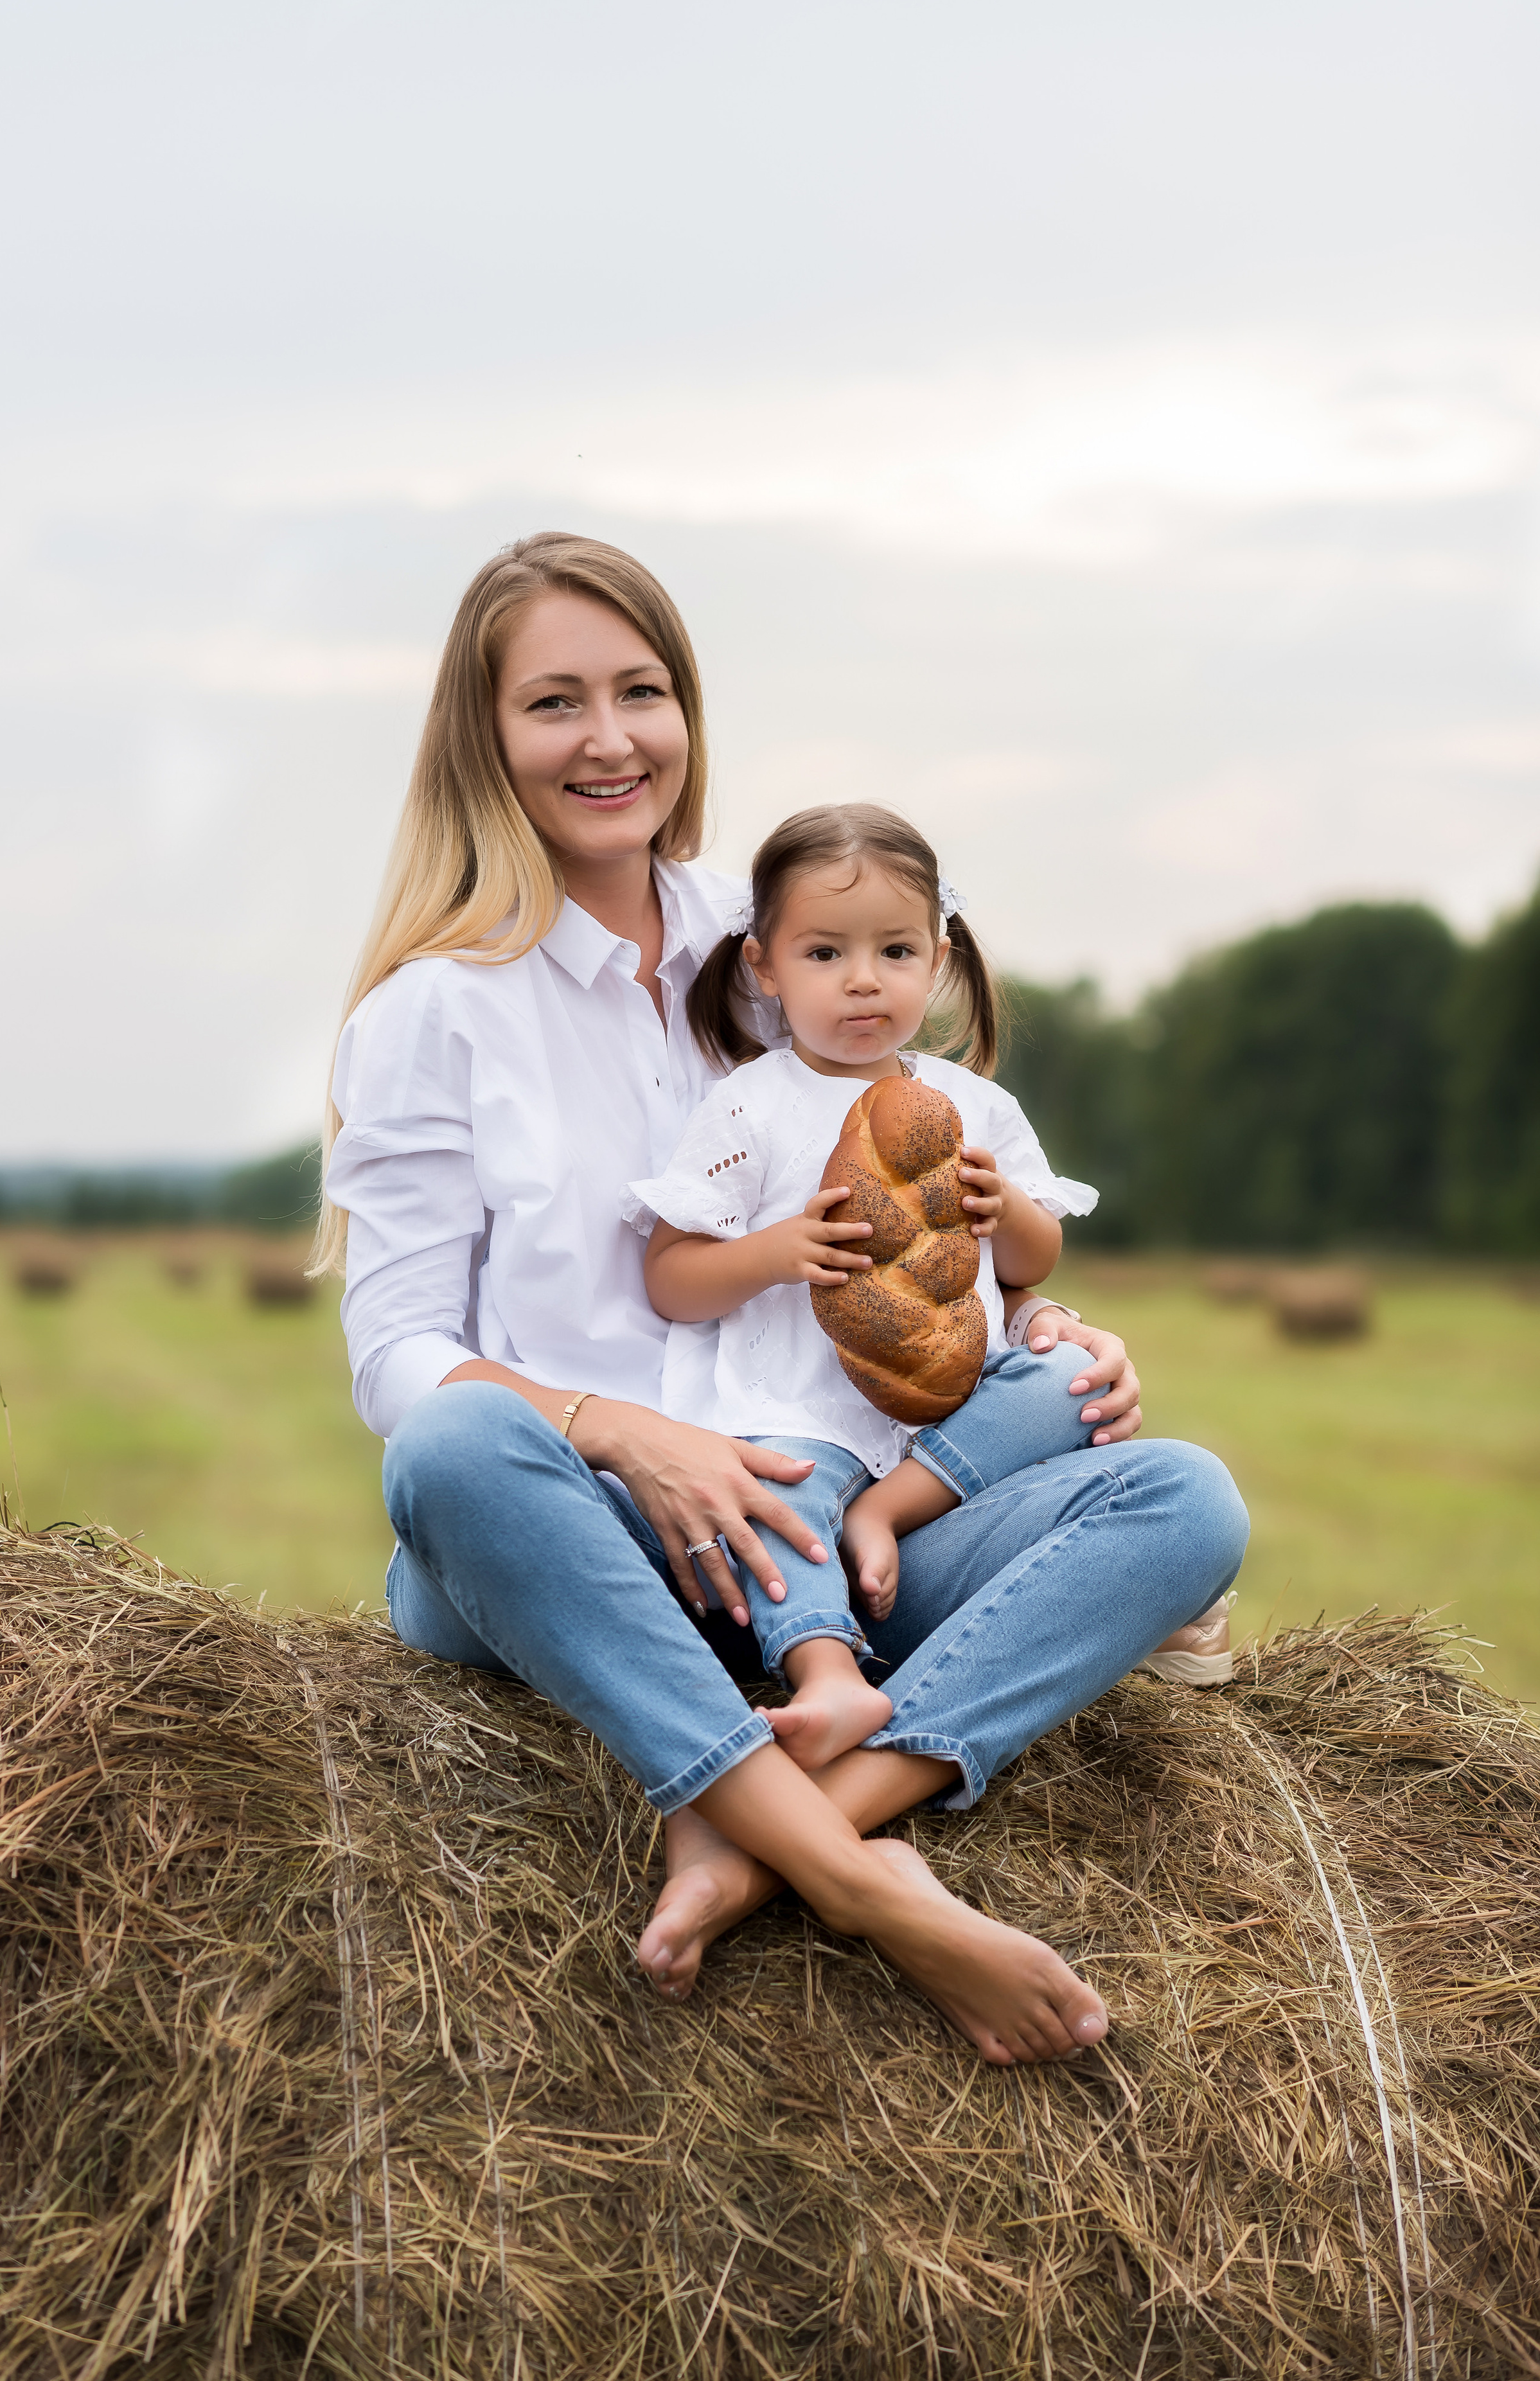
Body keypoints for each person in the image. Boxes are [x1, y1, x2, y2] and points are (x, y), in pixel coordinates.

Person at [318, 530, 1250, 2066]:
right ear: (483, 741)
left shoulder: (771, 952)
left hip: (811, 1519)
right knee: (444, 1456)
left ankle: (767, 1833)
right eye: (554, 703)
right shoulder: (436, 1011)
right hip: (573, 1541)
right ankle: (867, 1890)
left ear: (686, 711)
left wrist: (1047, 1338)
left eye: (640, 691)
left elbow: (916, 1214)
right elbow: (400, 1359)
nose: (608, 739)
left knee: (1183, 1500)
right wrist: (621, 1434)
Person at [628, 802, 1237, 1778]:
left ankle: (888, 1515)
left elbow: (1033, 1267)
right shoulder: (750, 1105)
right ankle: (826, 1671)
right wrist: (776, 1251)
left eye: (896, 951)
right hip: (796, 1412)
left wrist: (1008, 1216)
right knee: (775, 1492)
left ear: (940, 958)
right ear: (763, 966)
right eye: (825, 953)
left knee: (1065, 1378)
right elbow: (671, 1280)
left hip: (950, 1437)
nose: (864, 979)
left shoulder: (977, 1104)